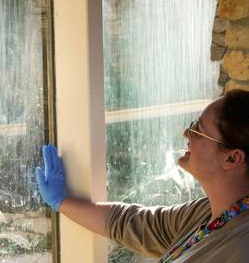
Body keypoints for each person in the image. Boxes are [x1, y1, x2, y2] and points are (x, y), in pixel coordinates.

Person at [35, 89, 249, 262]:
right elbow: (132, 223)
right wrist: (61, 201)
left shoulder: (241, 247)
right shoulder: (208, 214)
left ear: (232, 158)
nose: (186, 133)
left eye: (197, 129)